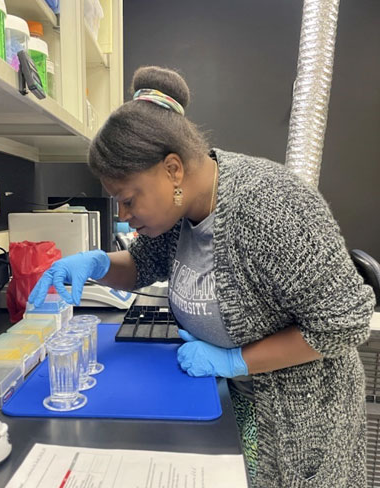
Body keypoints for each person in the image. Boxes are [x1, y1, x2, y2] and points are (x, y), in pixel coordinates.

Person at [28, 66, 375, 487]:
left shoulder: (268, 207)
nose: (123, 214)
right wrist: (96, 265)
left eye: (128, 199)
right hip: (237, 402)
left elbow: (345, 323)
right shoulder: (180, 210)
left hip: (302, 423)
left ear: (173, 170)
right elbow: (143, 265)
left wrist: (235, 360)